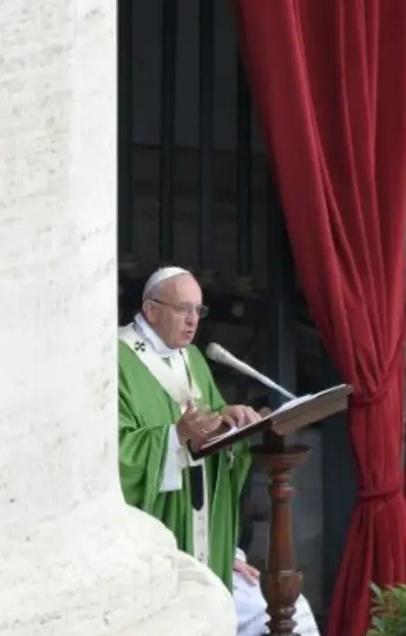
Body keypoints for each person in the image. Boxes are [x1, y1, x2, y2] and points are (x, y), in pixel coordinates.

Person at [118, 266, 319, 636]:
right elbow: (115, 455)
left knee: (292, 614)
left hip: (207, 541)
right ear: (151, 310)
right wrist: (174, 438)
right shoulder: (116, 359)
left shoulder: (193, 359)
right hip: (150, 551)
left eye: (199, 311)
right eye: (184, 309)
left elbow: (210, 437)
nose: (193, 321)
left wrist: (233, 424)